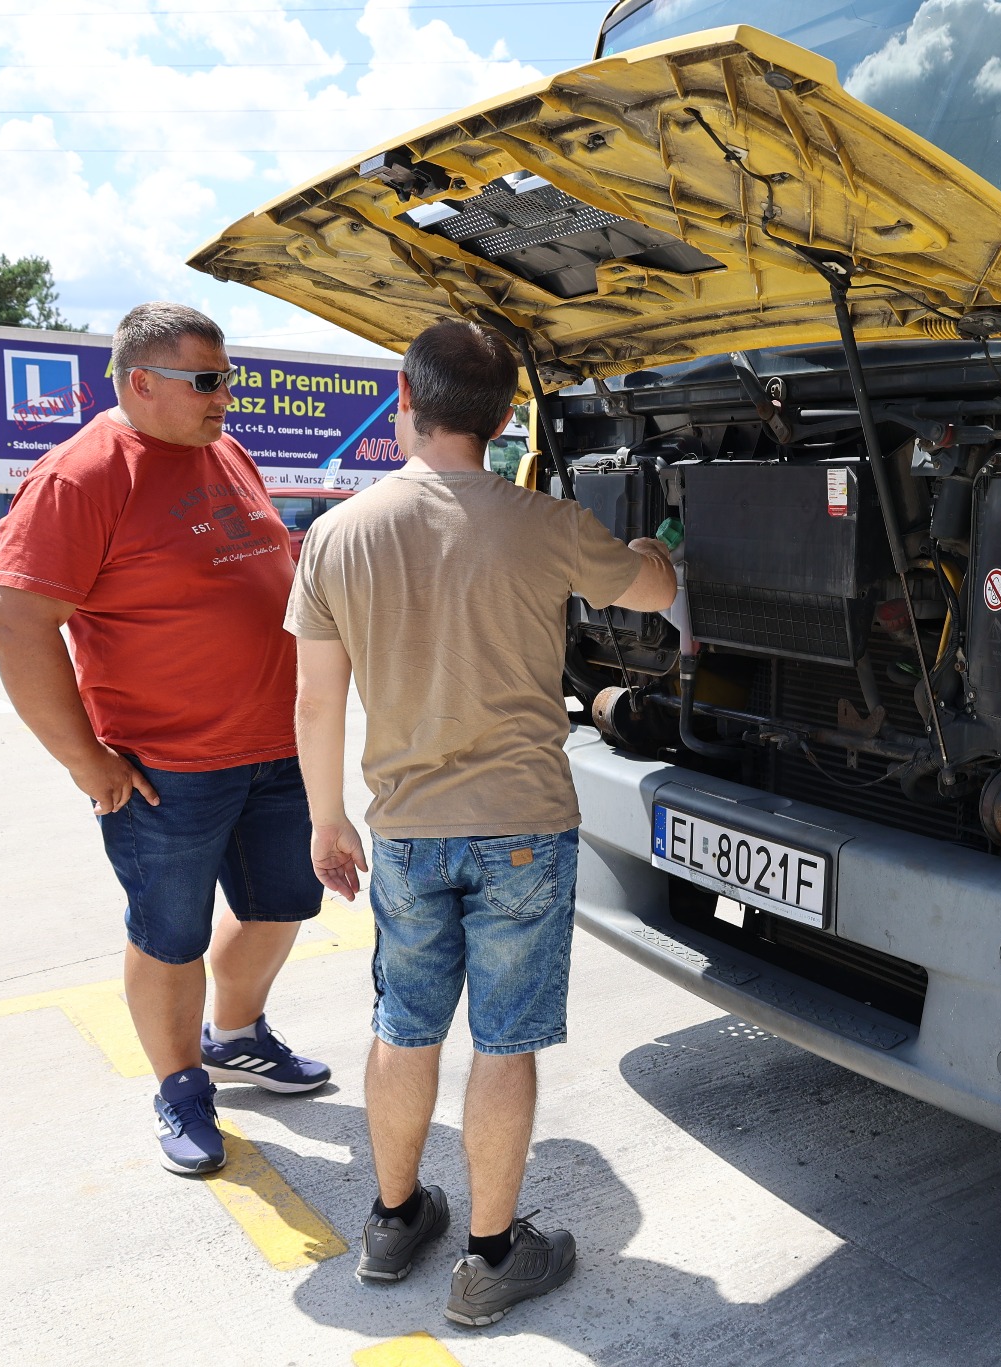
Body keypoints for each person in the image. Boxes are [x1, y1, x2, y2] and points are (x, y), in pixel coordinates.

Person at [287, 319, 675, 1324]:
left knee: (401, 1026)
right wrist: (641, 543)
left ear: (404, 404)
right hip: (519, 828)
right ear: (504, 417)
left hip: (406, 831)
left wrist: (327, 820)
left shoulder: (338, 530)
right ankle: (492, 1257)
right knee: (503, 1045)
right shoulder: (542, 521)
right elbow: (654, 587)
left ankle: (392, 1218)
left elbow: (316, 701)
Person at [0, 302, 331, 1178]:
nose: (227, 397)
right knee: (168, 934)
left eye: (229, 378)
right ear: (142, 382)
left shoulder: (224, 451)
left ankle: (236, 1034)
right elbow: (17, 625)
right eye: (207, 381)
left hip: (277, 750)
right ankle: (180, 1084)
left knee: (283, 903)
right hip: (164, 769)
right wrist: (83, 758)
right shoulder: (80, 477)